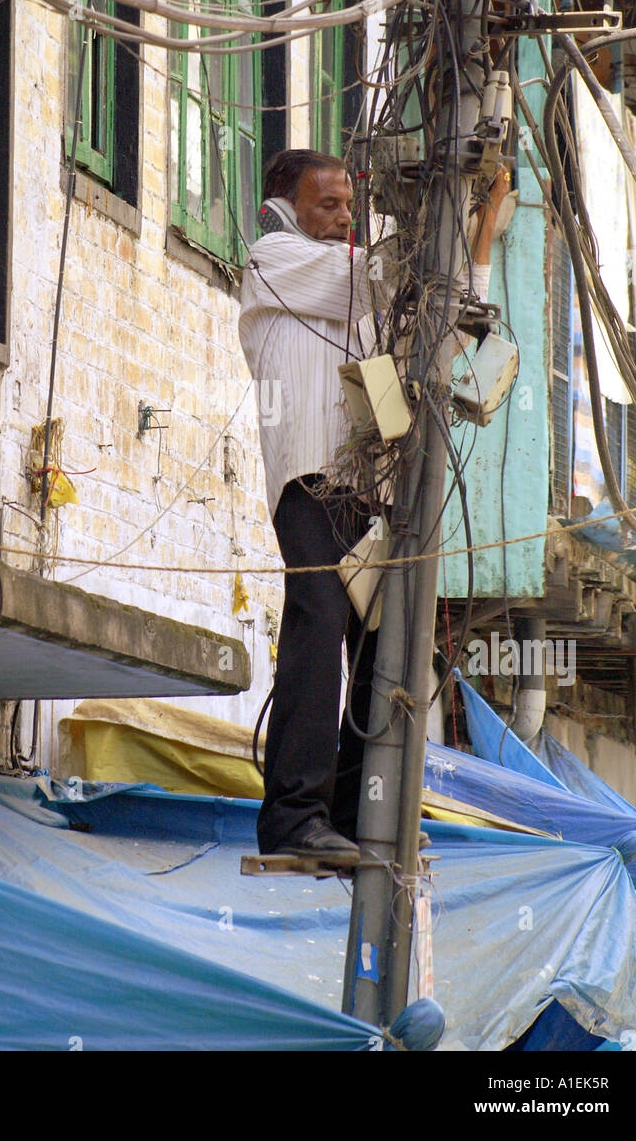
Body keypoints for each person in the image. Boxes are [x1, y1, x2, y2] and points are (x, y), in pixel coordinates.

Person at [239, 149, 512, 864]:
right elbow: (388, 279)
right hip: (310, 483)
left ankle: (359, 813)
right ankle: (293, 818)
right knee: (318, 624)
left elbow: (440, 332)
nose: (341, 219)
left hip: (368, 494)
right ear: (284, 207)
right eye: (326, 204)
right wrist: (456, 223)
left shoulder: (362, 293)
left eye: (347, 207)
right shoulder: (274, 260)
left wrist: (476, 243)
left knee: (381, 651)